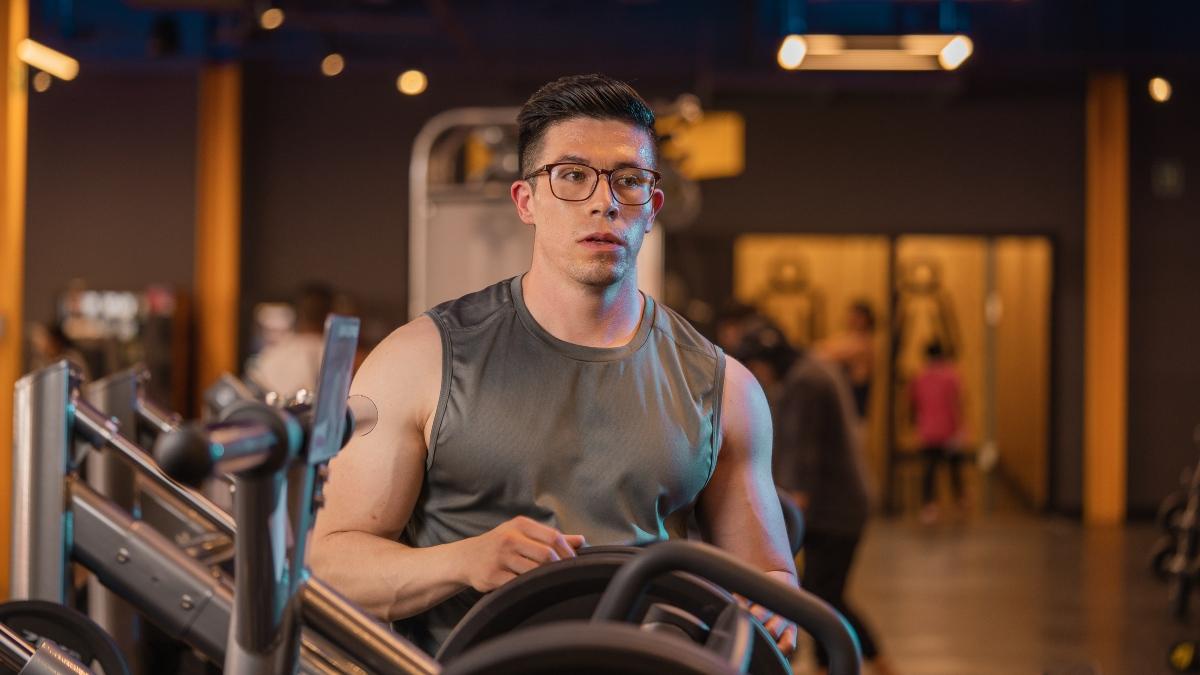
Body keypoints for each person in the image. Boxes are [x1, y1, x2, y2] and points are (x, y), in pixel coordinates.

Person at [309, 74, 798, 655]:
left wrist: (774, 605)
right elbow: (330, 563)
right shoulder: (420, 360)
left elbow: (768, 580)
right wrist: (461, 561)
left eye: (628, 180)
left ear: (652, 207)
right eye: (571, 175)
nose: (603, 201)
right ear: (526, 201)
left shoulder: (723, 386)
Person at [733, 321, 895, 675]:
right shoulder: (811, 370)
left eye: (755, 365)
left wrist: (781, 522)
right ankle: (835, 665)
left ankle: (875, 662)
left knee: (823, 595)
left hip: (835, 509)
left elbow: (802, 453)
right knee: (822, 593)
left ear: (768, 360)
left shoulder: (805, 382)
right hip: (840, 505)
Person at [908, 341, 967, 524]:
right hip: (949, 430)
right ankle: (960, 502)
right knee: (954, 469)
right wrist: (961, 428)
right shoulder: (951, 375)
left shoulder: (919, 377)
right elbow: (958, 403)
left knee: (929, 470)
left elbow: (913, 405)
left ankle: (929, 506)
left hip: (928, 431)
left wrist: (916, 426)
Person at [246, 283, 333, 400]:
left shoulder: (270, 354)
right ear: (330, 315)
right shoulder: (337, 356)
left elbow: (253, 393)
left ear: (298, 313)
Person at [815, 300, 876, 419]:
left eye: (856, 316)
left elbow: (826, 353)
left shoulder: (864, 343)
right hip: (847, 398)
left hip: (856, 401)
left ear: (865, 320)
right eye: (851, 315)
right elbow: (825, 347)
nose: (851, 319)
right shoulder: (849, 338)